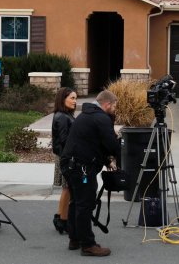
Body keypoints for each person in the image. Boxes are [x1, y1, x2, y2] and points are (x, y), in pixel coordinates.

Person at [60, 90, 120, 257]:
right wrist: (117, 155)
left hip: (70, 164)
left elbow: (95, 142)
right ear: (107, 104)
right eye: (114, 106)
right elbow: (111, 144)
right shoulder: (101, 118)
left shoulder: (87, 115)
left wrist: (106, 161)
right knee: (85, 203)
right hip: (82, 168)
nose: (114, 109)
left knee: (76, 201)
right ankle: (88, 245)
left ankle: (75, 238)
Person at [52, 87, 77, 234]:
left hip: (65, 156)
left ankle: (60, 217)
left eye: (75, 98)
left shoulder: (65, 115)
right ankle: (63, 220)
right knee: (67, 189)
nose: (75, 101)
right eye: (72, 98)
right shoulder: (62, 117)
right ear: (63, 99)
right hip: (65, 157)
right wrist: (69, 159)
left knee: (66, 189)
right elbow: (63, 140)